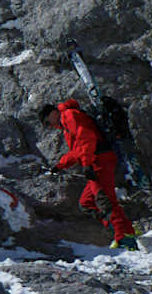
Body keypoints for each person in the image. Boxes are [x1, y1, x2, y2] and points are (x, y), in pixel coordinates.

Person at [39, 100, 139, 250]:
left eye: (48, 122)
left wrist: (86, 164)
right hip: (97, 160)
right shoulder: (67, 124)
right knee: (86, 203)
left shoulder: (69, 115)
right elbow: (77, 150)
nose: (51, 126)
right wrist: (59, 165)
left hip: (99, 160)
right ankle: (125, 230)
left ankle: (124, 239)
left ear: (53, 113)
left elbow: (87, 138)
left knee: (105, 199)